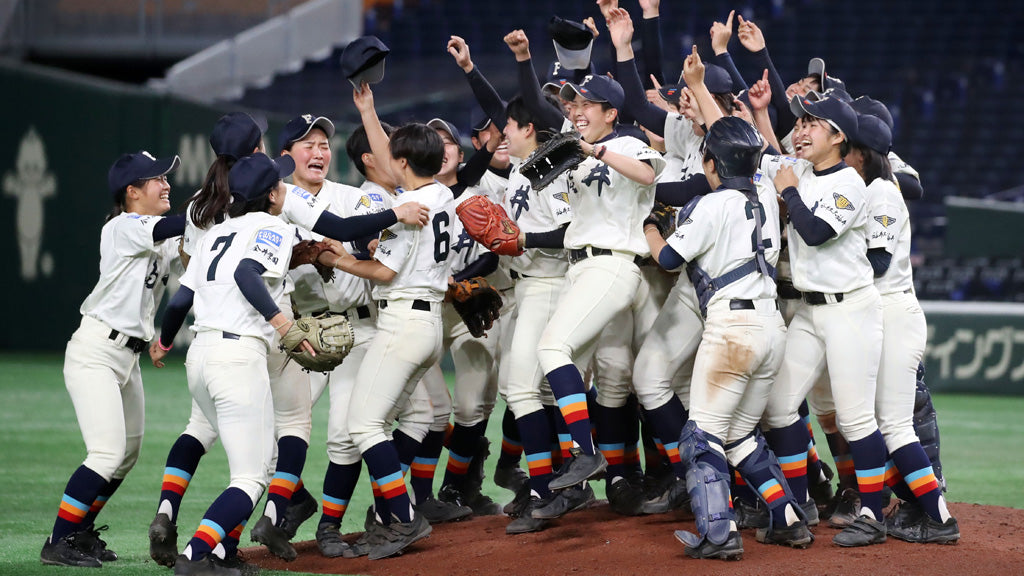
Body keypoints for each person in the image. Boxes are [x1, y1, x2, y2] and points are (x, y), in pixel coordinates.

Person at [644, 116, 812, 559]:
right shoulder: (763, 195)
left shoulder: (711, 204)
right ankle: (788, 517)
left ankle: (719, 532)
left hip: (733, 331)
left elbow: (667, 258)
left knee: (702, 436)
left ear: (712, 163)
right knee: (738, 435)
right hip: (772, 329)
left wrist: (650, 225)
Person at [150, 152, 315, 576]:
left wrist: (164, 340)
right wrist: (281, 323)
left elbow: (181, 301)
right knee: (251, 477)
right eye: (279, 183)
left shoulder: (214, 232)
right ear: (272, 194)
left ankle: (215, 553)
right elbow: (246, 272)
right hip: (238, 357)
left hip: (199, 357)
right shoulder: (273, 226)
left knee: (219, 447)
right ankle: (196, 556)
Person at [315, 81, 456, 560]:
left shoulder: (409, 211)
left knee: (363, 424)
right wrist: (370, 112)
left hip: (401, 323)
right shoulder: (441, 197)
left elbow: (384, 270)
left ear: (401, 164)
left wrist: (336, 259)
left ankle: (399, 517)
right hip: (429, 322)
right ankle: (393, 511)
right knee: (396, 419)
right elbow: (394, 163)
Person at [759, 94, 890, 548]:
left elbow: (815, 233)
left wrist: (788, 191)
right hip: (811, 310)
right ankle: (795, 506)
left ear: (839, 136)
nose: (800, 129)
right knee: (778, 407)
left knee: (854, 419)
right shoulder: (803, 173)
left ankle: (872, 513)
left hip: (850, 309)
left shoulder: (850, 183)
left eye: (813, 122)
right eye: (799, 121)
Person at [42, 150, 183, 567]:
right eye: (157, 178)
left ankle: (82, 531)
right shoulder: (124, 226)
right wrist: (212, 201)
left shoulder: (153, 231)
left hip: (127, 357)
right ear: (132, 192)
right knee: (105, 452)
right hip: (97, 351)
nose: (166, 183)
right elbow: (179, 225)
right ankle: (58, 540)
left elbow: (189, 249)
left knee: (127, 454)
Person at [148, 112, 265, 571]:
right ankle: (216, 550)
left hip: (202, 334)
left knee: (199, 427)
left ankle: (166, 510)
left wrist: (163, 338)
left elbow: (186, 279)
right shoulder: (260, 193)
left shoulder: (200, 203)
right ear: (256, 148)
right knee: (256, 465)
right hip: (247, 335)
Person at [846, 113, 959, 544]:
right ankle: (915, 507)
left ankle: (938, 517)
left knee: (894, 424)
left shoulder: (882, 192)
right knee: (875, 421)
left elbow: (875, 264)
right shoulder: (864, 189)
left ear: (862, 153)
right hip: (880, 313)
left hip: (893, 312)